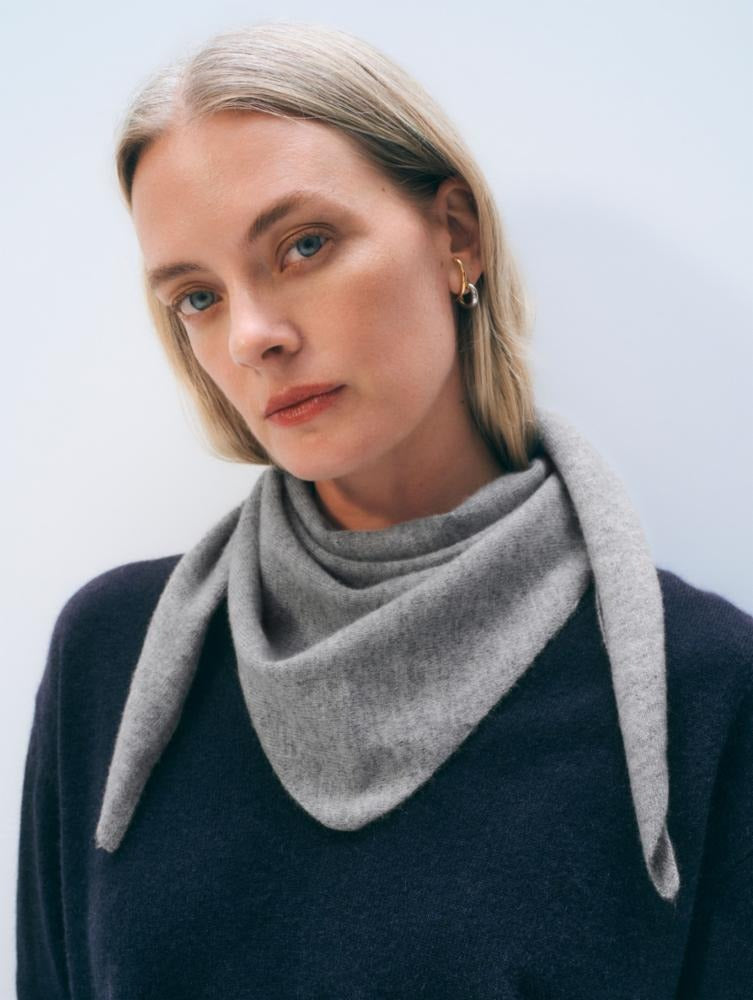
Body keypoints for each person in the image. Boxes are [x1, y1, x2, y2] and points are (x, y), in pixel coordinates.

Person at [16, 20, 753, 1000]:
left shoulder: (701, 693)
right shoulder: (111, 659)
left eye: (303, 245)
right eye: (196, 297)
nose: (252, 335)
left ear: (456, 234)